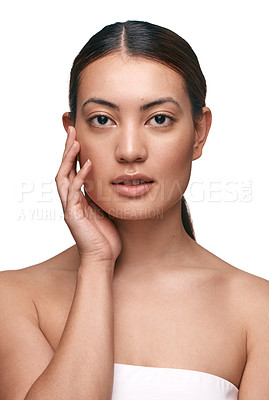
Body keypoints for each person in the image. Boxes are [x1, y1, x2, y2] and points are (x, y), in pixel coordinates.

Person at [0, 20, 268, 400]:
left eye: (159, 119)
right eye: (102, 120)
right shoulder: (12, 298)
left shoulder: (258, 311)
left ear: (199, 132)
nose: (129, 150)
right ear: (72, 134)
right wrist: (96, 264)